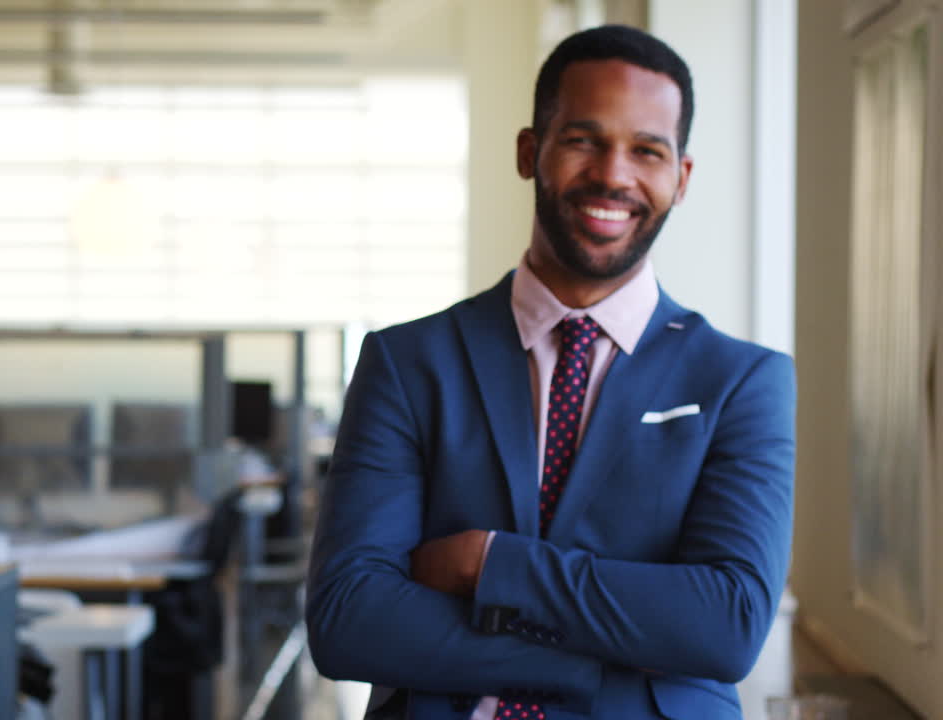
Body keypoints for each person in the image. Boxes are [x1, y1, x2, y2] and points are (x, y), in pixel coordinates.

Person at [305, 24, 795, 720]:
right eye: (582, 140)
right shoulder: (407, 363)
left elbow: (728, 626)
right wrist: (595, 664)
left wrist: (488, 563)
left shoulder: (742, 383)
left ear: (680, 179)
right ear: (529, 151)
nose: (613, 175)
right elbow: (348, 618)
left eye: (647, 151)